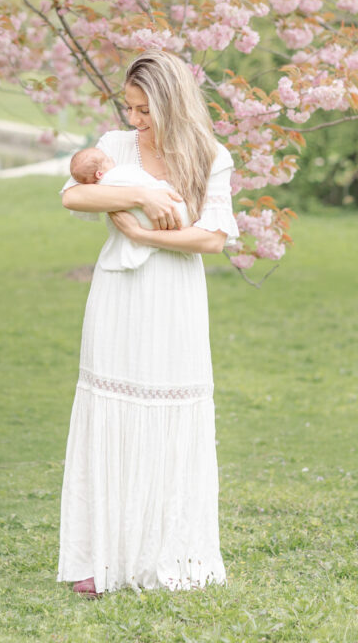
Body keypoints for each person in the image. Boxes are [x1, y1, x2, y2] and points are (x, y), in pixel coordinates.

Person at [57, 50, 239, 598]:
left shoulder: (210, 156)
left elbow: (211, 238)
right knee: (110, 410)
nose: (134, 120)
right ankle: (98, 559)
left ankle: (169, 554)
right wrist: (139, 192)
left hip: (174, 296)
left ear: (171, 104)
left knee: (170, 410)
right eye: (130, 108)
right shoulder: (114, 149)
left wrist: (143, 235)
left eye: (144, 111)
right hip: (118, 295)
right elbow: (74, 195)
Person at [68, 146, 192, 271]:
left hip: (146, 226)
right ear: (99, 174)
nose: (111, 158)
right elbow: (70, 197)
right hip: (167, 219)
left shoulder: (100, 191)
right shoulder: (116, 175)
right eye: (106, 160)